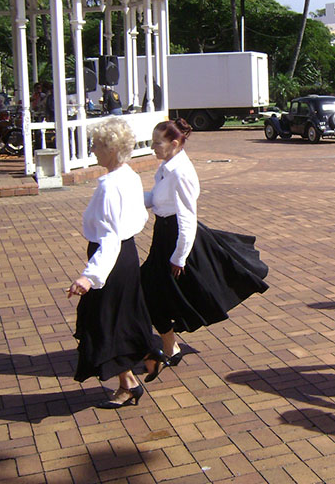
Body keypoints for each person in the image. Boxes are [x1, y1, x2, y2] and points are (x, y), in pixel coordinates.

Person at [140, 118, 270, 375]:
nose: (153, 147)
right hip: (163, 235)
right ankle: (170, 347)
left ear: (174, 144)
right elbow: (157, 199)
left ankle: (169, 347)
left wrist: (179, 257)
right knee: (152, 291)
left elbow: (188, 217)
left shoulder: (181, 172)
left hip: (175, 238)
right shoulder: (167, 166)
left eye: (157, 143)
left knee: (150, 290)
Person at [67, 118, 165, 409]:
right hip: (125, 255)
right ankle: (141, 364)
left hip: (112, 259)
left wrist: (89, 277)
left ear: (111, 149)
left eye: (97, 145)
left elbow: (109, 238)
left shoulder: (111, 186)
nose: (93, 150)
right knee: (118, 318)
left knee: (105, 321)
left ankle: (131, 379)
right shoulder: (128, 175)